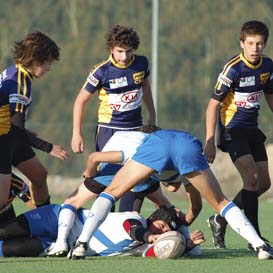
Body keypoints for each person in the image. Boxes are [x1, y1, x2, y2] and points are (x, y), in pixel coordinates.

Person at [68, 129, 273, 260]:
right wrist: (184, 222)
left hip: (159, 143)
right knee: (221, 202)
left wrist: (180, 223)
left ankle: (81, 244)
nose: (171, 189)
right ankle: (261, 246)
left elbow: (192, 208)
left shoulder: (142, 146)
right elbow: (196, 208)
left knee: (111, 193)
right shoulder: (186, 177)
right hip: (189, 144)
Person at [46, 127, 202, 256]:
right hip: (122, 170)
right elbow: (184, 197)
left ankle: (63, 242)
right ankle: (187, 242)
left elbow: (94, 157)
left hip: (113, 171)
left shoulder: (139, 147)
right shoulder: (154, 150)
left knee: (71, 202)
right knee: (168, 209)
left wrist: (90, 172)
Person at [71, 25, 156, 211]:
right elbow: (80, 101)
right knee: (105, 178)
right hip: (109, 130)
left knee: (134, 176)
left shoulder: (141, 63)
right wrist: (76, 134)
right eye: (119, 52)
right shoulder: (101, 71)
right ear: (111, 49)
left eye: (128, 51)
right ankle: (103, 220)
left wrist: (152, 114)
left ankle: (128, 219)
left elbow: (146, 88)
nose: (124, 57)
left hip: (135, 129)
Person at [204, 20, 273, 249]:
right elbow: (213, 105)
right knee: (251, 178)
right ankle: (255, 240)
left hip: (252, 131)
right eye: (251, 43)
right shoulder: (233, 69)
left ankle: (221, 219)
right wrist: (210, 141)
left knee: (263, 183)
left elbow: (270, 95)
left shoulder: (267, 66)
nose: (255, 48)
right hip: (232, 131)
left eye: (260, 44)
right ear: (242, 43)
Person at [0, 31, 69, 209]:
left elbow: (12, 120)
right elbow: (16, 129)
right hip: (4, 139)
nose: (49, 68)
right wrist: (49, 148)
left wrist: (20, 128)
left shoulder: (14, 70)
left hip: (10, 134)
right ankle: (17, 185)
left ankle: (44, 223)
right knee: (1, 201)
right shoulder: (19, 84)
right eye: (49, 62)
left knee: (39, 176)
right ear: (37, 59)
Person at [0, 204, 205, 258]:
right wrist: (149, 235)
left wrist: (187, 245)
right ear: (152, 219)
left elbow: (165, 250)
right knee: (4, 232)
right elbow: (132, 230)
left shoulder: (142, 248)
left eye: (164, 232)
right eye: (160, 227)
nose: (160, 235)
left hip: (59, 246)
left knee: (13, 249)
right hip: (57, 219)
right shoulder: (134, 219)